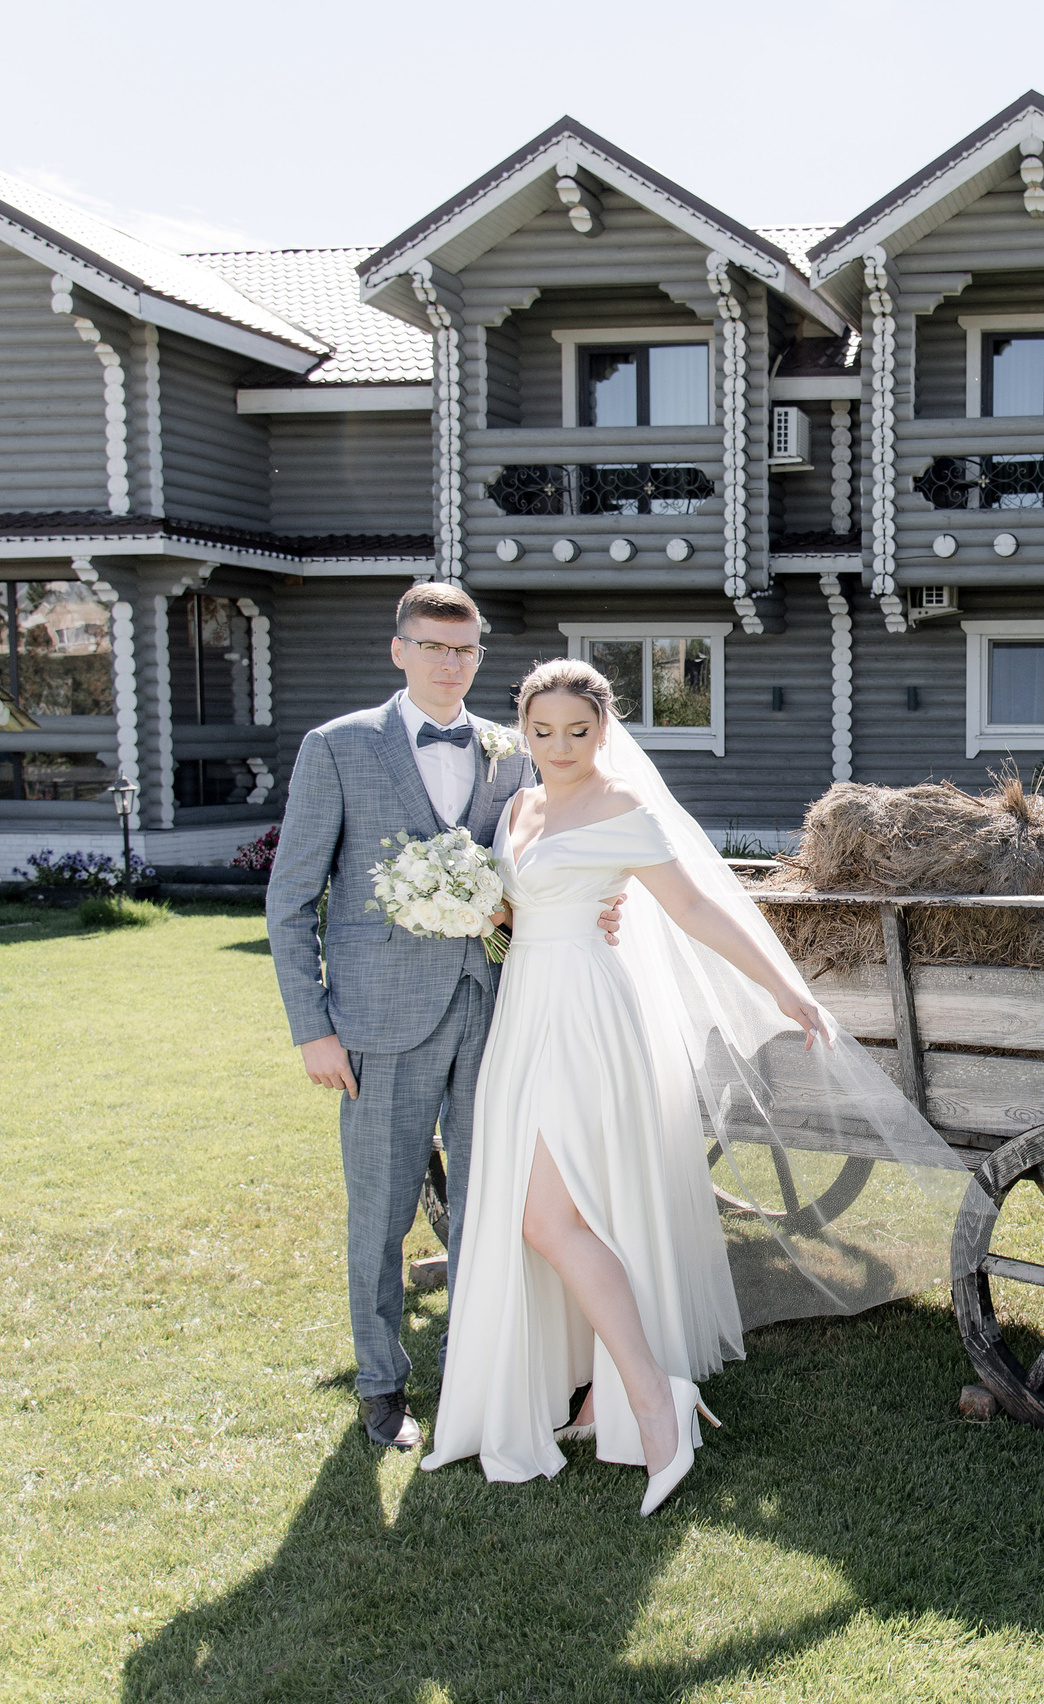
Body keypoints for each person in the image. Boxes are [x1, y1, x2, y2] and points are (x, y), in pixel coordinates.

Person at [423, 657, 964, 1514]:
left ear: (605, 729)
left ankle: (651, 1400)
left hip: (586, 1018)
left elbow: (697, 909)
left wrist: (783, 985)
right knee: (561, 1214)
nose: (560, 746)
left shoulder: (622, 807)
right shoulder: (520, 805)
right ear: (522, 731)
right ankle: (601, 1396)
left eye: (578, 730)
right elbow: (522, 906)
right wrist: (488, 909)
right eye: (543, 731)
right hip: (523, 1015)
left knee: (545, 1218)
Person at [265, 585, 622, 1451]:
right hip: (379, 1024)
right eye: (431, 646)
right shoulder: (338, 748)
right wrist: (313, 1029)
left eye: (464, 651)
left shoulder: (512, 751)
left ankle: (477, 1372)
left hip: (498, 1013)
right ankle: (382, 1385)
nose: (448, 663)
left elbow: (540, 858)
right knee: (380, 1213)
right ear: (400, 651)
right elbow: (291, 898)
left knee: (489, 1209)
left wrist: (594, 904)